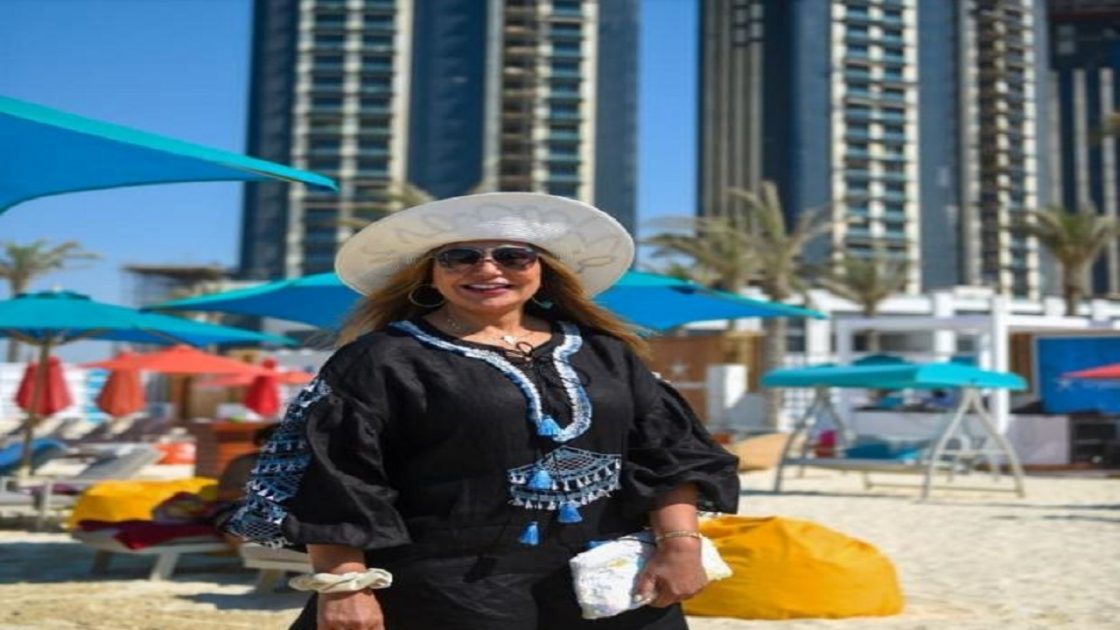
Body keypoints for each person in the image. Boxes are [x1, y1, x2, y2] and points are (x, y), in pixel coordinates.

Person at [225, 192, 740, 630]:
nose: (488, 269)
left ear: (543, 269)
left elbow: (667, 454)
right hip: (445, 594)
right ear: (430, 274)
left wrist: (680, 546)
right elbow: (335, 476)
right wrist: (344, 585)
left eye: (514, 256)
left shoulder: (606, 353)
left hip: (614, 587)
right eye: (460, 257)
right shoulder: (382, 359)